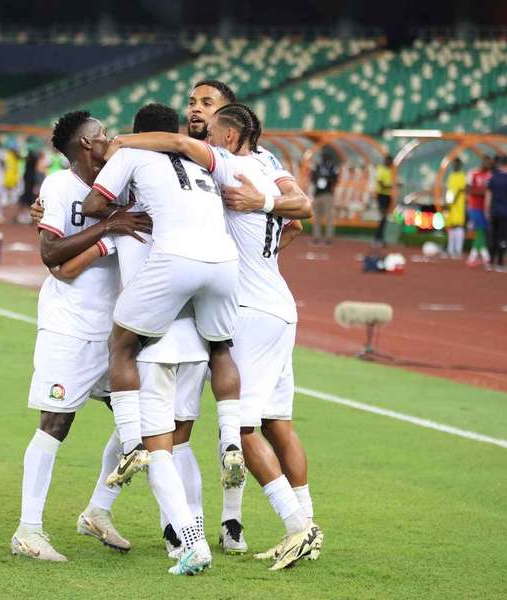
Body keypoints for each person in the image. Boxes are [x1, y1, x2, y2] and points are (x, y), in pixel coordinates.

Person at [106, 102, 322, 571]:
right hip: (279, 303)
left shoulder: (223, 164)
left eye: (206, 109)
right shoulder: (266, 169)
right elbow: (300, 217)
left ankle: (298, 527)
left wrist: (123, 142)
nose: (196, 119)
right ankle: (244, 524)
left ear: (226, 136)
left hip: (248, 308)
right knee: (270, 421)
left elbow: (182, 146)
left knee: (243, 431)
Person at [9, 111, 151, 564]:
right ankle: (28, 530)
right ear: (87, 143)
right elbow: (51, 254)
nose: (110, 139)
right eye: (103, 135)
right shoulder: (58, 186)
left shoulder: (122, 183)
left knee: (141, 423)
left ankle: (97, 511)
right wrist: (107, 228)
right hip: (69, 326)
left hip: (115, 332)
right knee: (56, 424)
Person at [465, 155, 493, 267]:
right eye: (487, 162)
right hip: (474, 207)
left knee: (481, 231)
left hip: (486, 208)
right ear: (483, 162)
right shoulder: (473, 173)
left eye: (490, 163)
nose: (488, 165)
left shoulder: (491, 176)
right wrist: (484, 192)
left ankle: (476, 257)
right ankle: (484, 257)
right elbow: (468, 189)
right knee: (479, 230)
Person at [312, 153, 339, 244]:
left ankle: (328, 237)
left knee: (329, 217)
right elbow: (313, 177)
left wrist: (326, 178)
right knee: (317, 217)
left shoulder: (332, 168)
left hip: (327, 194)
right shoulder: (318, 167)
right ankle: (316, 236)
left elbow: (335, 179)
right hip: (318, 194)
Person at [444, 157, 467, 259]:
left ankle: (458, 250)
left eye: (457, 164)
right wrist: (448, 203)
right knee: (451, 226)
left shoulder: (462, 176)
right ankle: (450, 250)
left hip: (459, 205)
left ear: (460, 165)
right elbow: (449, 190)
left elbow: (460, 190)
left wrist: (452, 201)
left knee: (458, 226)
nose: (455, 166)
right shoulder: (451, 176)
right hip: (451, 204)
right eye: (454, 164)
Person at [374, 155, 394, 244]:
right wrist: (390, 186)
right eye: (389, 161)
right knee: (382, 216)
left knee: (384, 217)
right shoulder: (381, 169)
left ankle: (380, 237)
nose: (390, 163)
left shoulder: (390, 171)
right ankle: (378, 237)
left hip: (387, 196)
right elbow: (381, 184)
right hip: (381, 195)